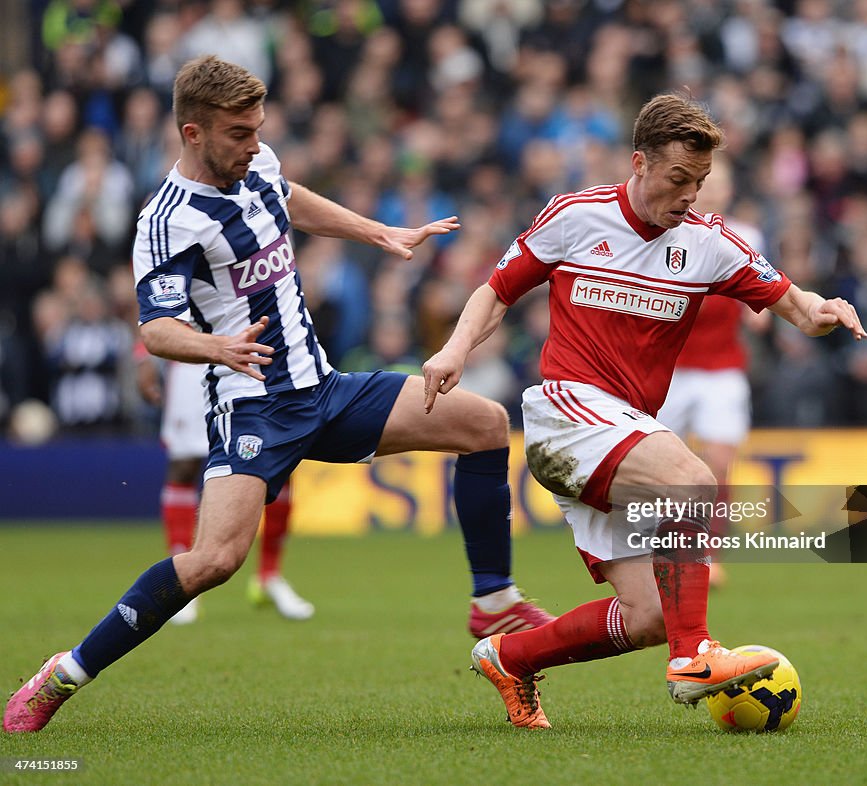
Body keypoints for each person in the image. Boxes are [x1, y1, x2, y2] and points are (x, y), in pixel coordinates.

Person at [3, 55, 552, 734]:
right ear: (193, 132)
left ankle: (493, 601)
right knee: (214, 561)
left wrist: (377, 231)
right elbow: (156, 328)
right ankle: (65, 673)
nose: (254, 143)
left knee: (484, 423)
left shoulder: (256, 164)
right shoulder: (168, 221)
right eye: (239, 132)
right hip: (253, 404)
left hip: (324, 390)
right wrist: (216, 347)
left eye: (258, 128)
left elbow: (290, 197)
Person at [422, 93, 867, 729]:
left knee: (649, 617)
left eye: (701, 182)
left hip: (623, 431)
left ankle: (509, 657)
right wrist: (454, 350)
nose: (689, 195)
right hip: (566, 410)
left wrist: (826, 312)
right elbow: (497, 292)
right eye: (678, 179)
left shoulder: (711, 245)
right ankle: (696, 656)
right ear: (638, 162)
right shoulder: (578, 217)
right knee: (690, 481)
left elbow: (798, 305)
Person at [655, 154, 770, 589]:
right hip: (672, 367)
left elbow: (759, 295)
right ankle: (663, 551)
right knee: (665, 467)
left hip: (722, 366)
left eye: (721, 183)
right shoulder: (668, 231)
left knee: (719, 463)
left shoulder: (745, 236)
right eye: (708, 182)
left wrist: (757, 308)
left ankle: (709, 555)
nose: (713, 190)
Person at [137, 354, 314, 622]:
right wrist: (143, 356)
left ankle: (269, 576)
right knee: (185, 465)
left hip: (257, 355)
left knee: (280, 460)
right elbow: (150, 313)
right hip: (195, 358)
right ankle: (181, 583)